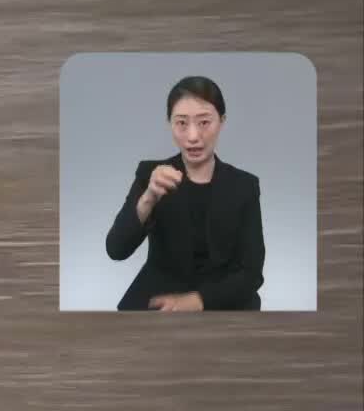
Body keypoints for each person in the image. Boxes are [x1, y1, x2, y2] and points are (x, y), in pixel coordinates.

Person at [105, 76, 265, 310]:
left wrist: (198, 300)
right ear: (170, 123)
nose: (192, 137)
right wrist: (148, 198)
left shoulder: (244, 186)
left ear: (221, 121)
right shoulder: (151, 174)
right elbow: (116, 250)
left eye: (204, 122)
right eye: (181, 123)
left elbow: (251, 273)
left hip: (225, 299)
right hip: (159, 295)